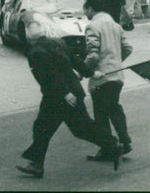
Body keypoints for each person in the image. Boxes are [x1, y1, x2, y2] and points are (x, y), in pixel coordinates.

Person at [17, 16, 123, 178]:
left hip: (58, 96)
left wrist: (65, 93)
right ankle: (112, 145)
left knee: (42, 127)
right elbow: (75, 61)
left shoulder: (35, 53)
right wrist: (91, 73)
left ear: (29, 37)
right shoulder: (58, 42)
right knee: (81, 128)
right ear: (44, 32)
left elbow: (48, 77)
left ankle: (37, 164)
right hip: (73, 92)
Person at [83, 0, 134, 162]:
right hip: (117, 75)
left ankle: (107, 149)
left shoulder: (93, 26)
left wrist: (82, 71)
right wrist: (115, 62)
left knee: (101, 114)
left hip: (101, 77)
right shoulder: (115, 25)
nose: (85, 14)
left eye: (85, 10)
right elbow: (128, 48)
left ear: (90, 8)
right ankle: (125, 141)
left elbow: (93, 55)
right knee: (114, 108)